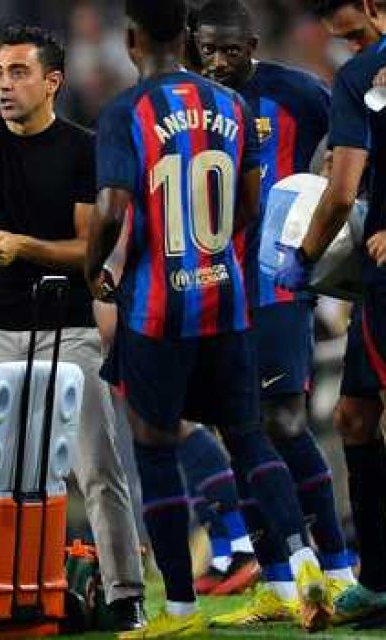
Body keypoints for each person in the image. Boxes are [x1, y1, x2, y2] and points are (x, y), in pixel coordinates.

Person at [86, 0, 331, 635]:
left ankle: (181, 610)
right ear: (189, 41)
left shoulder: (126, 111)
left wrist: (98, 268)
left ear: (134, 39)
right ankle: (303, 561)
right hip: (227, 299)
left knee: (155, 448)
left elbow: (111, 209)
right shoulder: (234, 107)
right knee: (248, 436)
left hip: (157, 308)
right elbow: (252, 201)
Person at [0, 24, 147, 631]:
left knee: (98, 467)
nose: (6, 85)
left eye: (19, 72)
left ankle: (125, 594)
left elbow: (88, 250)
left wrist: (23, 247)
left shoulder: (81, 148)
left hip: (67, 329)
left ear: (52, 81)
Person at [186, 0, 357, 626]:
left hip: (280, 281)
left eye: (233, 48)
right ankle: (280, 583)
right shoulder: (185, 106)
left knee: (282, 421)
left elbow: (348, 158)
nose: (222, 60)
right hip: (211, 283)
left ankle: (336, 570)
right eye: (210, 48)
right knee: (238, 432)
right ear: (195, 45)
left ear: (253, 43)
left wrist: (325, 236)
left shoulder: (298, 93)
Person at [278, 0, 386, 625]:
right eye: (343, 41)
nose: (349, 49)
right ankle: (376, 577)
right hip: (374, 281)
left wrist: (305, 258)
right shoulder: (362, 77)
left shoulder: (356, 79)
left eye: (355, 33)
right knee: (353, 416)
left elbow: (341, 190)